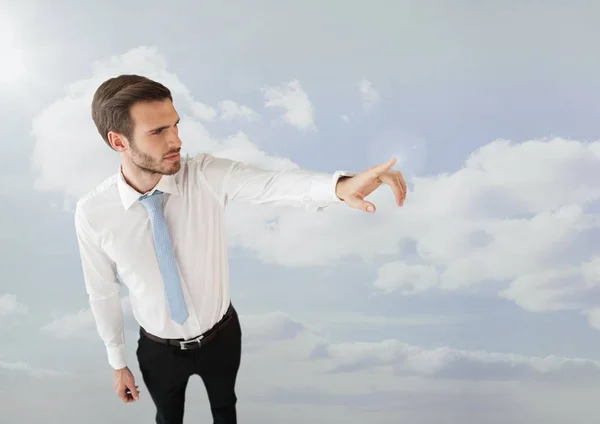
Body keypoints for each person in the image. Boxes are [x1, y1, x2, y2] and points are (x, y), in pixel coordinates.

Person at [73, 74, 407, 424]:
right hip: (157, 349)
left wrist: (340, 187)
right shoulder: (93, 213)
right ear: (118, 141)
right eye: (157, 132)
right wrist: (118, 363)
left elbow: (272, 184)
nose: (176, 140)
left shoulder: (204, 174)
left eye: (175, 125)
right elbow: (102, 292)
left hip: (222, 335)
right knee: (167, 417)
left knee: (224, 408)